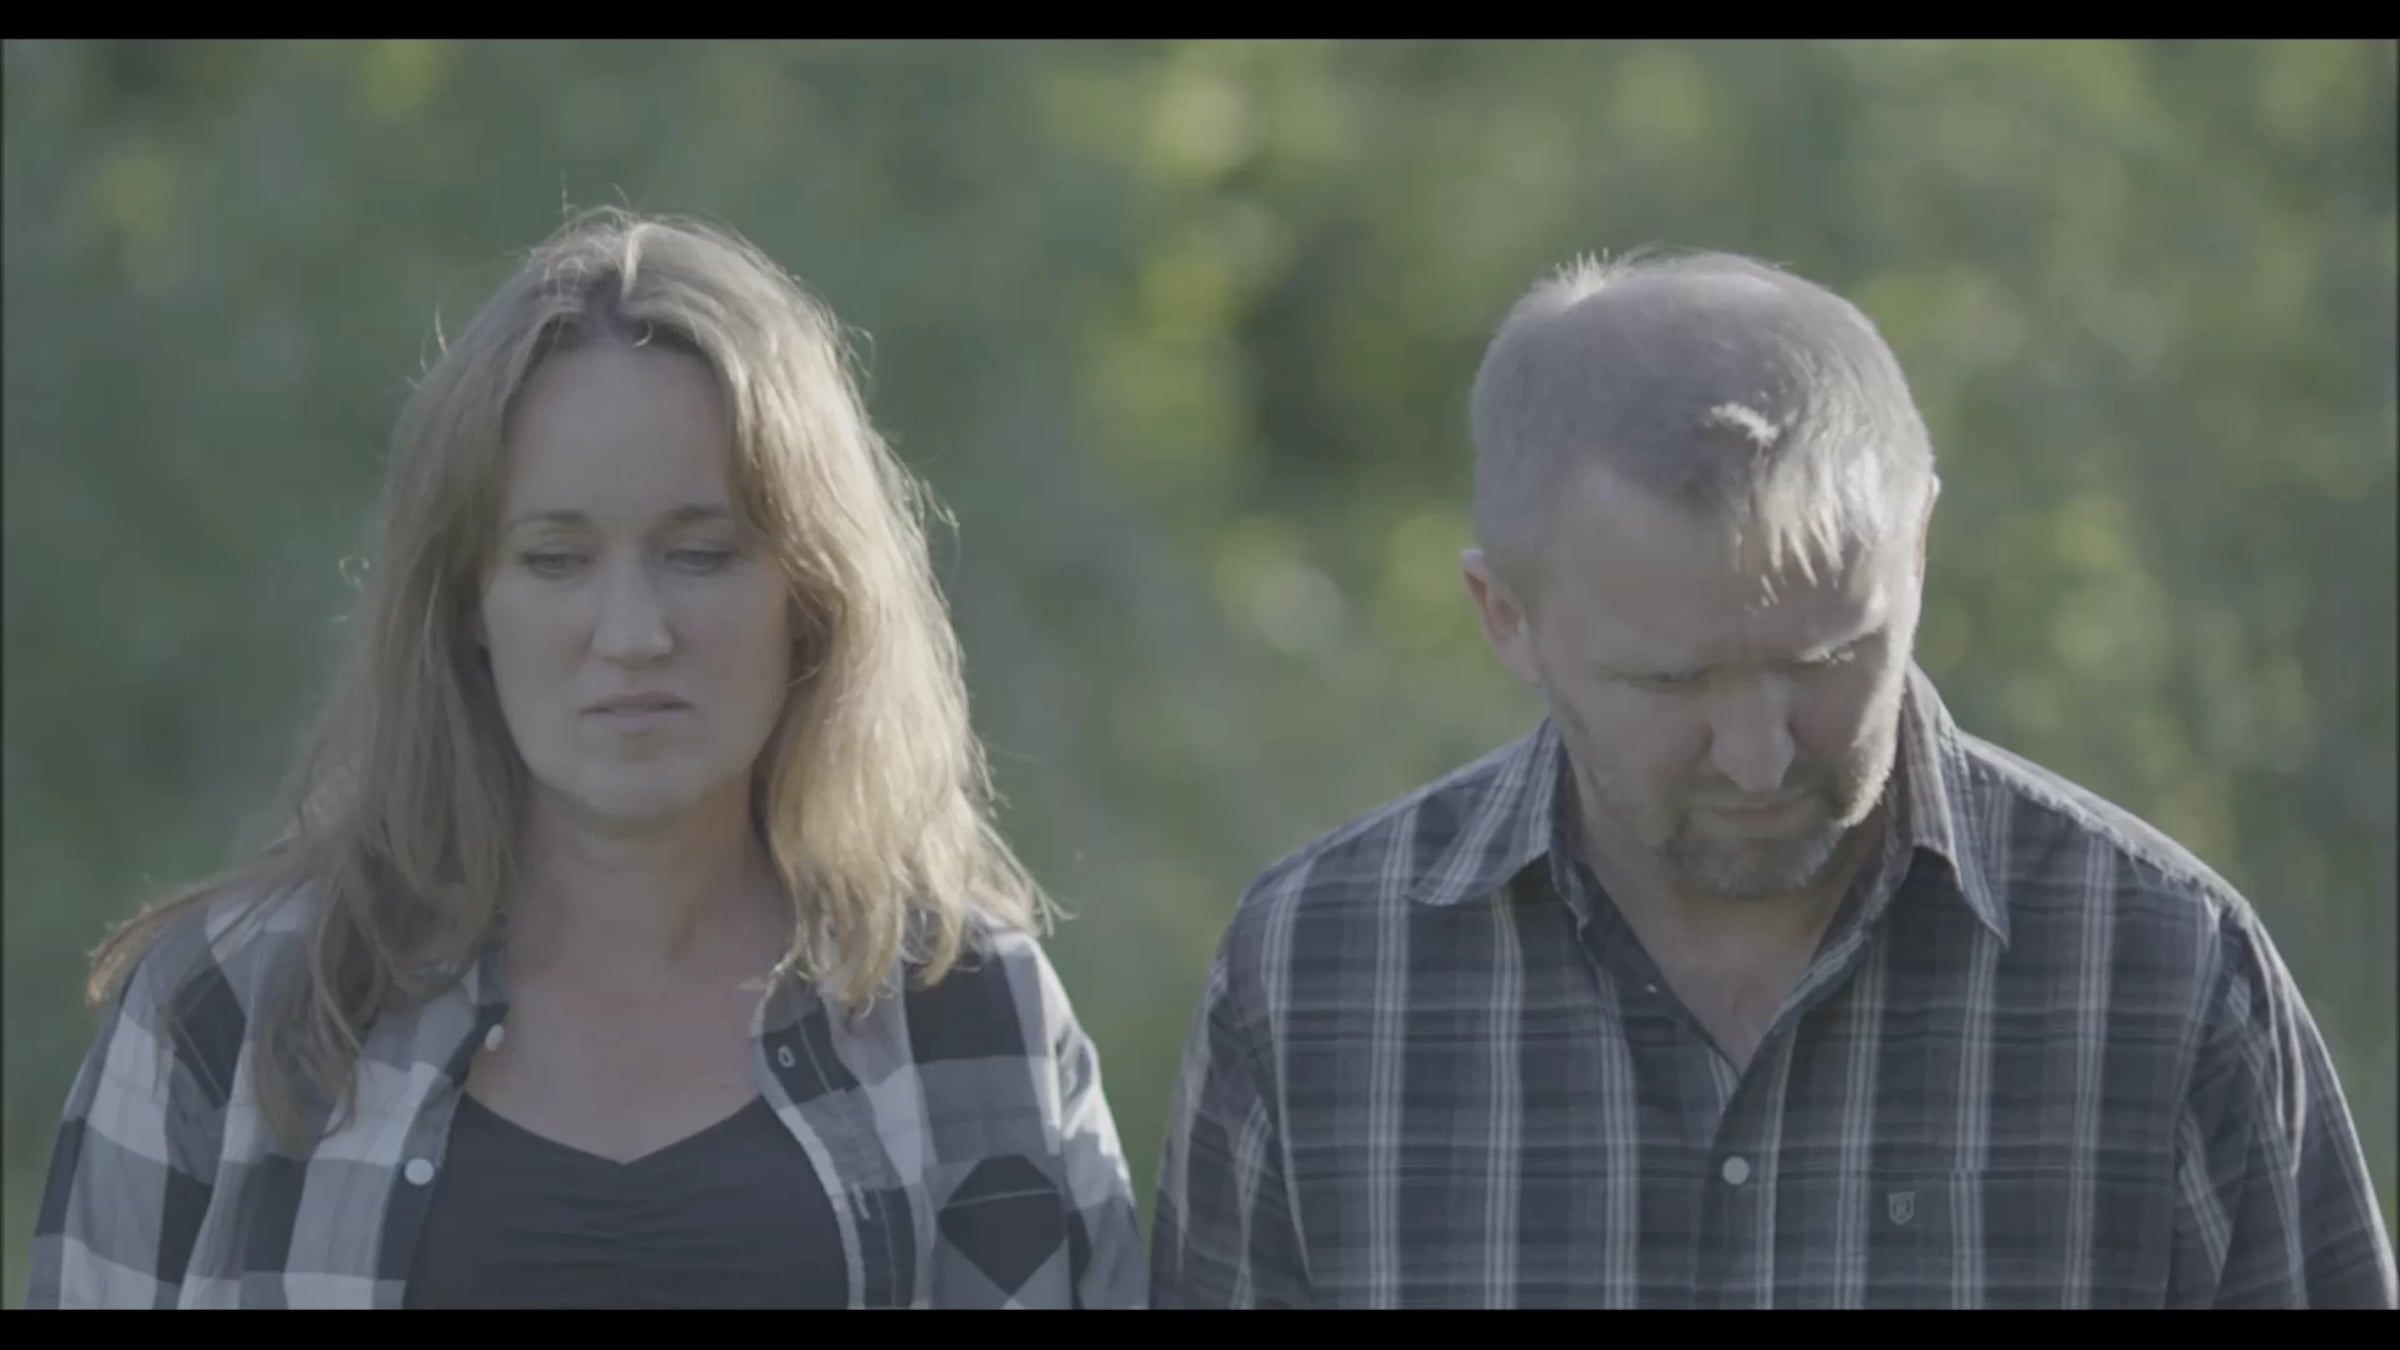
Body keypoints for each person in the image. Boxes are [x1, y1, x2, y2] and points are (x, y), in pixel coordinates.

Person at [1150, 247, 2397, 1309]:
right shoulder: (1317, 977)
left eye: (1828, 660)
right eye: (1673, 682)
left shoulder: (2164, 974)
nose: (1760, 755)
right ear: (1505, 616)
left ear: (1918, 550)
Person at [26, 208, 1145, 1310]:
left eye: (700, 554)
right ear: (467, 602)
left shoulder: (971, 1014)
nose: (633, 633)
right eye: (556, 559)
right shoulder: (229, 1010)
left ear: (810, 596)